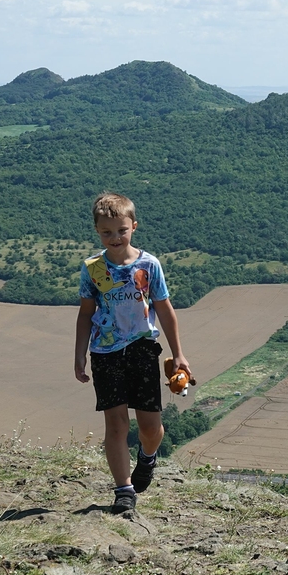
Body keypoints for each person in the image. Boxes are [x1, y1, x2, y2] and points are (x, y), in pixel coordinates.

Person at [74, 192, 191, 514]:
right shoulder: (92, 268)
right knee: (116, 424)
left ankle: (147, 458)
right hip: (105, 352)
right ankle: (124, 490)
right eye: (106, 232)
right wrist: (79, 354)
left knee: (151, 427)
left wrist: (179, 354)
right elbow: (85, 313)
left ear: (134, 227)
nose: (115, 237)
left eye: (121, 230)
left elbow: (164, 309)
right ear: (97, 231)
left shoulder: (149, 265)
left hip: (142, 349)